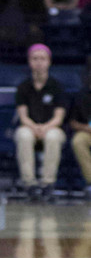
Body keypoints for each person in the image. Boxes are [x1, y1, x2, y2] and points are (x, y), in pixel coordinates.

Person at [14, 44, 67, 201]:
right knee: (23, 135)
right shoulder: (23, 87)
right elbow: (23, 116)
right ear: (29, 62)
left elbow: (59, 117)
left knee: (53, 136)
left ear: (49, 61)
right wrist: (34, 127)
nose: (39, 62)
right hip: (29, 127)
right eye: (35, 58)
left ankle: (47, 184)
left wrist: (44, 127)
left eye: (42, 58)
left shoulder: (57, 86)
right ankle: (29, 184)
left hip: (52, 127)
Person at [69, 57, 91, 198]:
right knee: (78, 141)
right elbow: (72, 122)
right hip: (86, 132)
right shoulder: (81, 95)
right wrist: (85, 128)